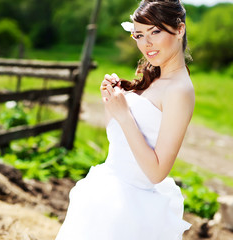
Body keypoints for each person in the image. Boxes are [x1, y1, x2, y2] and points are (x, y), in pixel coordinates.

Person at [55, 0, 194, 239]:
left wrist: (124, 114)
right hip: (105, 192)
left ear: (179, 30)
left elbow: (156, 173)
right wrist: (112, 101)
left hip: (130, 209)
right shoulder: (154, 81)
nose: (146, 44)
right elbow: (118, 141)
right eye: (139, 35)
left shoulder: (180, 90)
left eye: (155, 32)